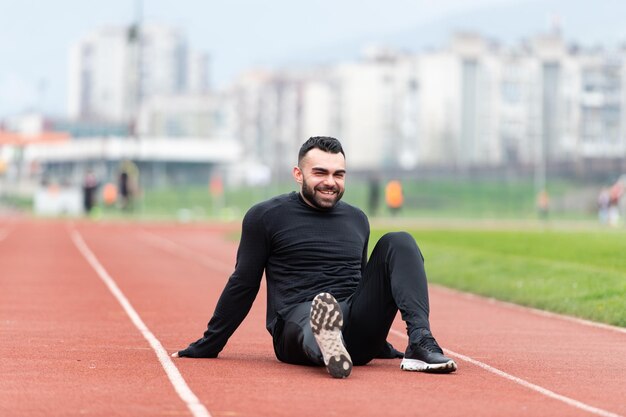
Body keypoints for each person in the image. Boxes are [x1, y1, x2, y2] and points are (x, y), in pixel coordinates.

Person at [172, 136, 457, 378]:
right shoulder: (266, 216)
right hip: (295, 321)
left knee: (400, 241)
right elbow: (243, 284)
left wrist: (381, 344)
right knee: (314, 317)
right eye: (320, 173)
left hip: (355, 325)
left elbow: (363, 285)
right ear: (299, 174)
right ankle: (326, 342)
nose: (330, 182)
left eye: (338, 174)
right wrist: (210, 343)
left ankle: (420, 339)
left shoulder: (357, 219)